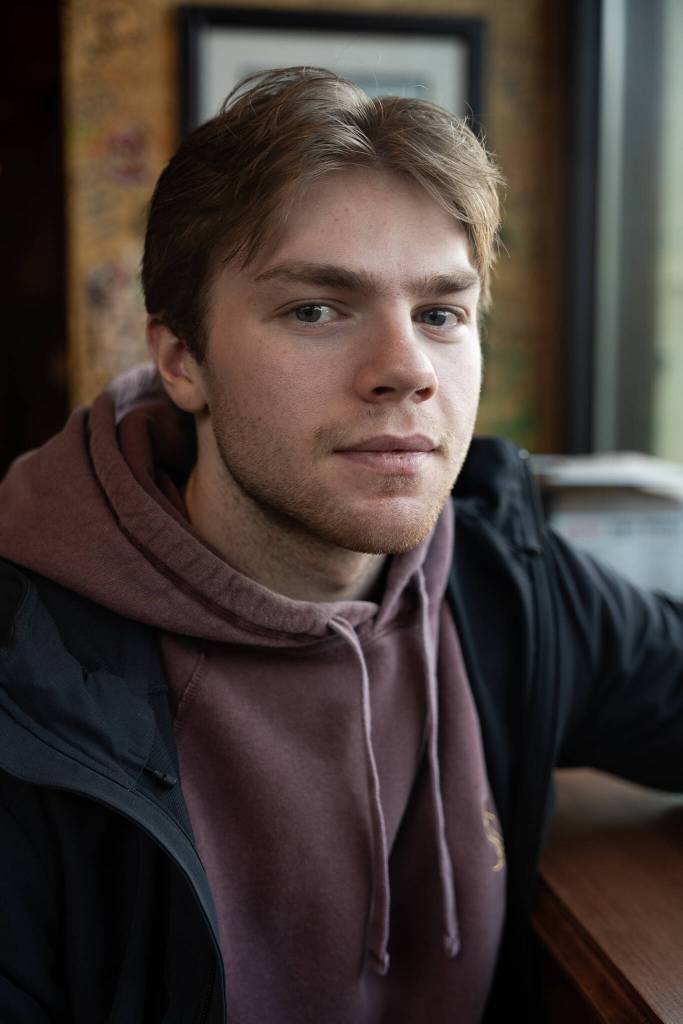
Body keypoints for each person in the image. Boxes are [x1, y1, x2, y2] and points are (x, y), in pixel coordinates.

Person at [0, 66, 681, 1024]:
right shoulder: (28, 684)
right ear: (181, 360)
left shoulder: (499, 573)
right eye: (316, 309)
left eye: (441, 312)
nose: (404, 369)